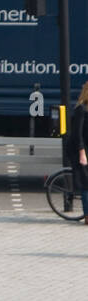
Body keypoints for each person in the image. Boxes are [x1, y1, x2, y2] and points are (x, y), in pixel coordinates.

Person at [71, 82, 88, 222]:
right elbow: (78, 134)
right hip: (80, 148)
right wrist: (82, 154)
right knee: (86, 182)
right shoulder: (81, 109)